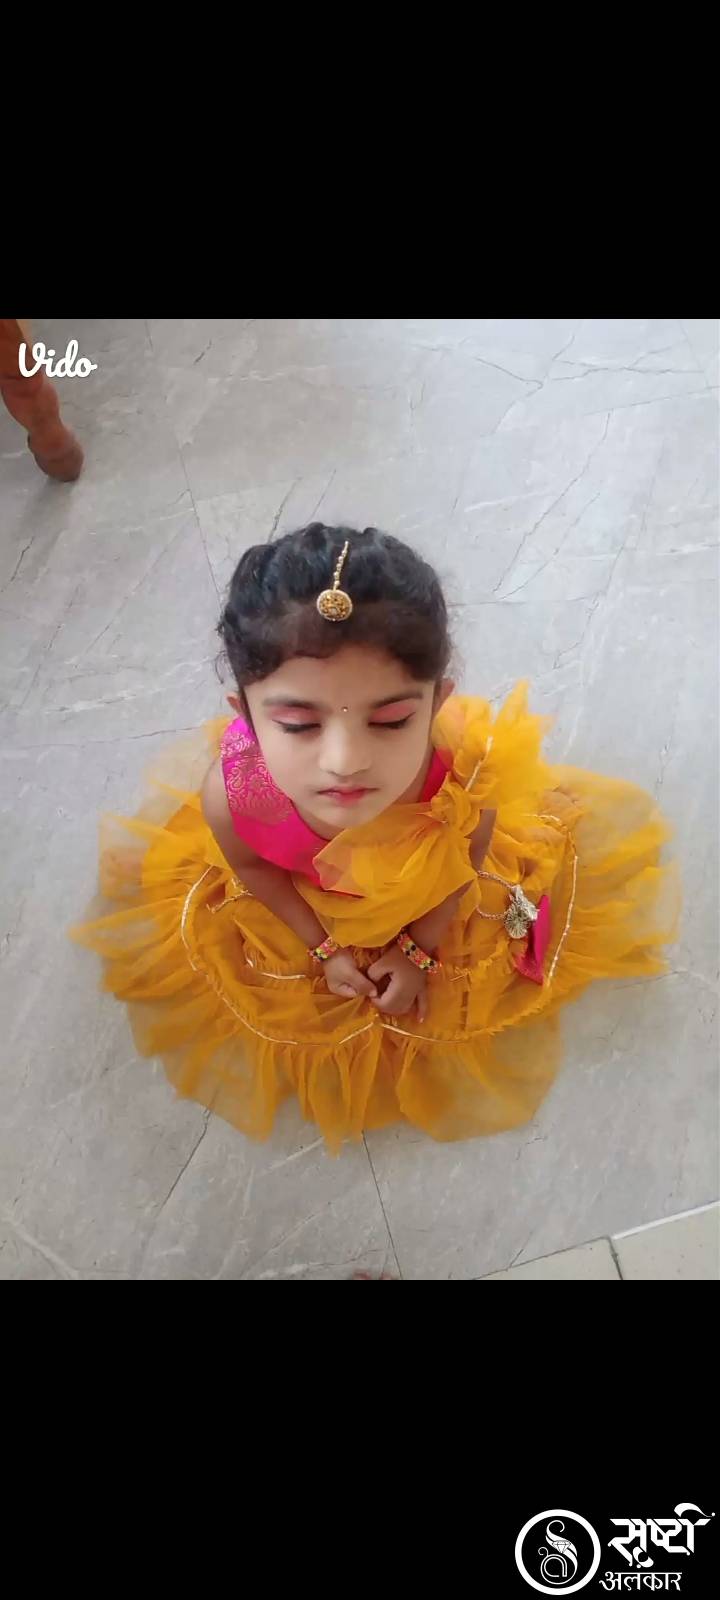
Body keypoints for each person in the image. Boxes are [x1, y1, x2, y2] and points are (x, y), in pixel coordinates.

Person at [72, 524, 678, 1153]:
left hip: (430, 894)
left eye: (391, 720)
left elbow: (467, 860)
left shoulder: (464, 777)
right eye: (297, 724)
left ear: (436, 703)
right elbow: (254, 870)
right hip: (310, 910)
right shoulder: (234, 799)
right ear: (245, 714)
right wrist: (324, 949)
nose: (345, 761)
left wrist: (418, 951)